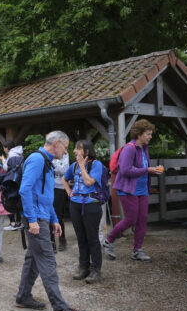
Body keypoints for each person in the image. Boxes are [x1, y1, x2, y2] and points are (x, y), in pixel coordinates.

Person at [15, 131, 86, 311]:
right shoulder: (38, 160)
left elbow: (45, 196)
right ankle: (60, 309)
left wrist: (54, 219)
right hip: (36, 219)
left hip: (41, 217)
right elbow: (25, 189)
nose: (66, 152)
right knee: (47, 261)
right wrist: (32, 220)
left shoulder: (46, 162)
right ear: (56, 143)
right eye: (65, 147)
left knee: (33, 259)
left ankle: (23, 296)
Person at [103, 119, 163, 263]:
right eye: (148, 134)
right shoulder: (129, 149)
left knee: (142, 220)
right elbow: (125, 170)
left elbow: (142, 168)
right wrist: (147, 170)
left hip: (142, 190)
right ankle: (108, 241)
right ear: (139, 134)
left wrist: (153, 170)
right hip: (128, 190)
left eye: (150, 134)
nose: (150, 137)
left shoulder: (144, 148)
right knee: (131, 219)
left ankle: (137, 250)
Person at [62, 140, 103, 284]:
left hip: (91, 205)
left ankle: (96, 269)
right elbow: (64, 179)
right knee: (81, 238)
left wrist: (82, 166)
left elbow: (89, 182)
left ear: (87, 151)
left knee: (92, 238)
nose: (74, 151)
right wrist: (69, 192)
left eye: (78, 148)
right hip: (75, 204)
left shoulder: (96, 165)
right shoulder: (73, 166)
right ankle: (83, 266)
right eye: (75, 148)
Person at [2, 140, 24, 231]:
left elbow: (6, 168)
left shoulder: (11, 155)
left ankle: (12, 223)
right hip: (19, 180)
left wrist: (3, 160)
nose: (4, 150)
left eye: (4, 148)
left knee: (9, 200)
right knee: (18, 200)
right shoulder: (20, 154)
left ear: (7, 148)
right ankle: (18, 222)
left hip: (11, 181)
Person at [52, 152, 69, 252]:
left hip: (59, 187)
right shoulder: (49, 153)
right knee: (48, 215)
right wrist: (57, 165)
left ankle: (62, 238)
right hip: (49, 187)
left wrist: (53, 163)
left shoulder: (65, 154)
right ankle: (51, 241)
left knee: (58, 215)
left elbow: (64, 170)